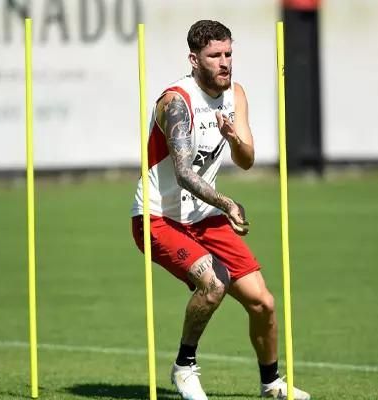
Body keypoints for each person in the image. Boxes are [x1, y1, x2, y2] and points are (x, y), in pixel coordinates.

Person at [130, 20, 310, 400]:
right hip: (158, 216)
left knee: (263, 302)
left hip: (202, 215)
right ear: (194, 60)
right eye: (215, 56)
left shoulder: (236, 94)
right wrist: (226, 202)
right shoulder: (176, 102)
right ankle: (184, 366)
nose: (225, 63)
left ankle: (271, 383)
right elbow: (182, 173)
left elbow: (246, 160)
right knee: (214, 283)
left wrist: (234, 139)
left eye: (229, 54)